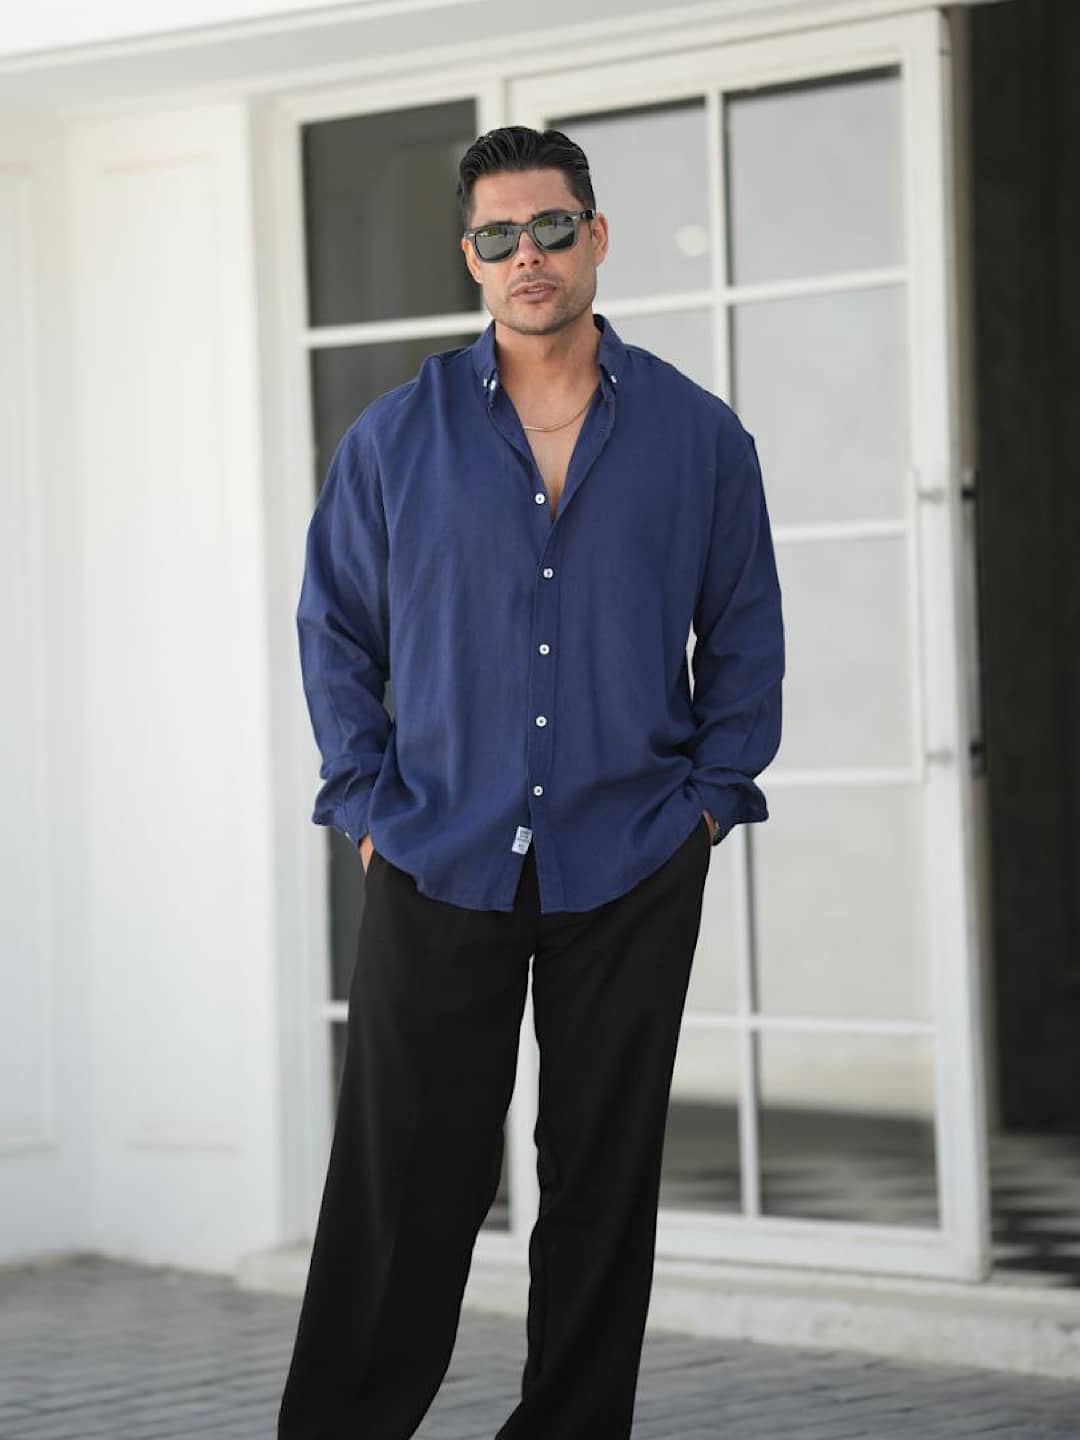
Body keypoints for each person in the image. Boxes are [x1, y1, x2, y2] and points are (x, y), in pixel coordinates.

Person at [278, 124, 784, 1440]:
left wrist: (710, 801)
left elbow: (745, 634)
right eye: (499, 236)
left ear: (596, 236)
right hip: (437, 851)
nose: (529, 256)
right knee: (401, 1187)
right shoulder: (396, 440)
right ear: (472, 258)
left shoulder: (699, 438)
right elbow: (334, 631)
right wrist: (366, 805)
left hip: (631, 859)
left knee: (602, 1189)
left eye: (552, 228)